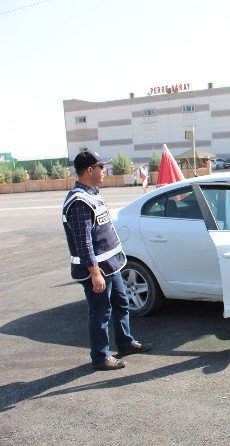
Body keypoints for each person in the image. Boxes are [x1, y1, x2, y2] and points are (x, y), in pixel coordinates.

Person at [62, 150, 152, 371]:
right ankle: (100, 357)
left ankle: (125, 343)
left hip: (111, 266)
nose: (104, 170)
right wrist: (94, 273)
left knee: (121, 304)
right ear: (89, 170)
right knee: (101, 313)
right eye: (101, 167)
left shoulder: (92, 193)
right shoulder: (79, 201)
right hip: (98, 271)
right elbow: (83, 242)